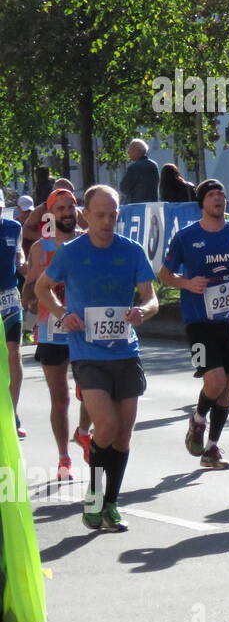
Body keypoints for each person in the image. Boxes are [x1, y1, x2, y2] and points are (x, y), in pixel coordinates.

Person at [37, 185, 158, 534]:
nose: (107, 221)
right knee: (105, 427)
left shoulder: (131, 251)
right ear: (85, 216)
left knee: (123, 436)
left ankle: (110, 503)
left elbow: (151, 299)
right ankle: (94, 498)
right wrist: (62, 314)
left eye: (113, 214)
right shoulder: (72, 252)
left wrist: (142, 311)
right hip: (87, 352)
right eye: (100, 215)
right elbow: (44, 287)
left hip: (125, 350)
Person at [159, 179, 229, 471]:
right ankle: (198, 419)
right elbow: (165, 274)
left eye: (222, 194)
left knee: (226, 388)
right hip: (199, 320)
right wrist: (187, 283)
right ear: (202, 203)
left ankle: (211, 449)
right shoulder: (187, 237)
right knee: (213, 381)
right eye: (212, 195)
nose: (218, 199)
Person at [21, 188, 93, 479]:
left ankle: (83, 431)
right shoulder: (42, 247)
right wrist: (36, 283)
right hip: (52, 330)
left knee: (91, 391)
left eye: (70, 207)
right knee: (60, 398)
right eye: (60, 208)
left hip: (86, 326)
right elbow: (27, 293)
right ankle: (64, 458)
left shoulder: (88, 242)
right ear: (51, 214)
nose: (66, 212)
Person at [1, 213, 26, 438]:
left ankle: (13, 413)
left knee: (14, 352)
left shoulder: (13, 227)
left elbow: (20, 256)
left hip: (9, 298)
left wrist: (28, 267)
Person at [119, 139, 160, 205]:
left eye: (130, 149)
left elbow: (124, 188)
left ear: (138, 150)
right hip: (152, 204)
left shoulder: (134, 167)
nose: (128, 152)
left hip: (136, 205)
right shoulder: (153, 165)